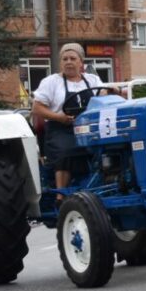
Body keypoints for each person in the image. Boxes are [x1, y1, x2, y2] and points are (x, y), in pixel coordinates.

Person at [31, 43, 116, 192]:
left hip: (90, 128)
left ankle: (107, 186)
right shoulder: (51, 82)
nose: (68, 62)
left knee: (111, 148)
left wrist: (113, 92)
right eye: (65, 59)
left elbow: (103, 96)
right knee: (66, 150)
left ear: (81, 62)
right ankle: (61, 194)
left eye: (72, 58)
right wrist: (59, 117)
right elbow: (37, 108)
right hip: (61, 129)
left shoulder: (92, 80)